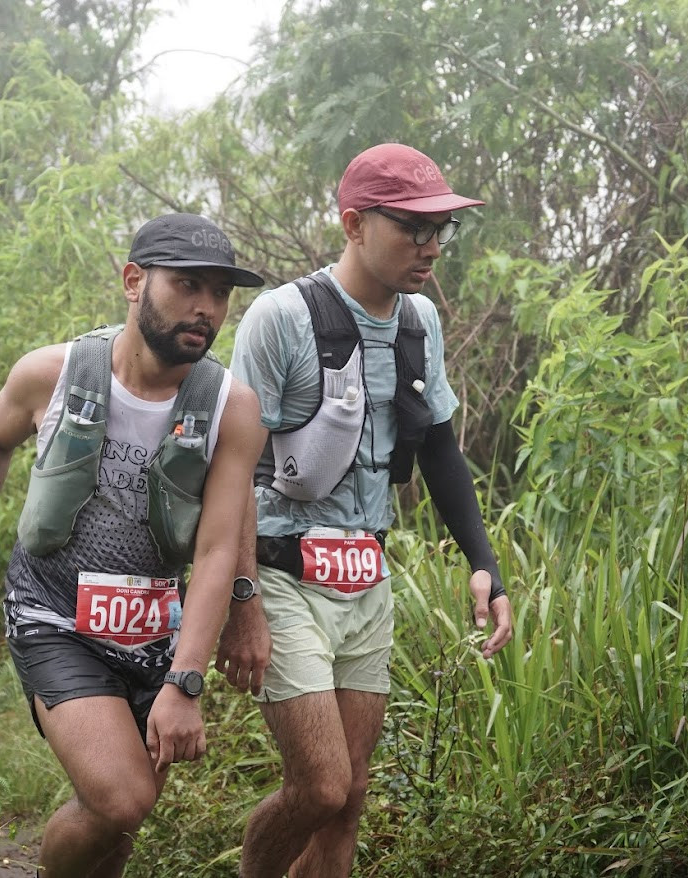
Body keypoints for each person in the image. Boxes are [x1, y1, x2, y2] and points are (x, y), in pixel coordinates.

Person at [0, 214, 267, 877]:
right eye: (187, 285)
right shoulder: (52, 373)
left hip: (154, 626)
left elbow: (216, 551)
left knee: (120, 825)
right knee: (123, 797)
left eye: (219, 293)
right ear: (134, 281)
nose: (206, 308)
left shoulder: (232, 408)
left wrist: (185, 681)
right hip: (53, 611)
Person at [216, 143, 515, 878]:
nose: (431, 245)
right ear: (354, 224)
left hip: (365, 574)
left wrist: (485, 565)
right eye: (413, 227)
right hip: (282, 572)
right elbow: (232, 469)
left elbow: (439, 447)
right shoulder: (281, 317)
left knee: (348, 800)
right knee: (320, 785)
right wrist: (241, 602)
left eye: (440, 228)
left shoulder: (419, 321)